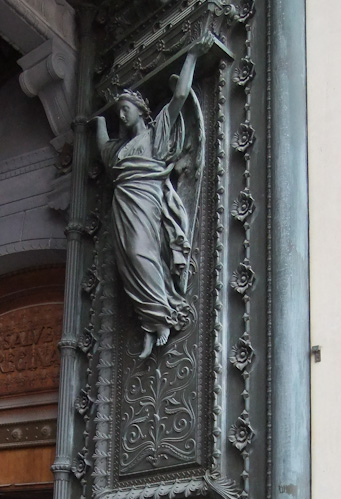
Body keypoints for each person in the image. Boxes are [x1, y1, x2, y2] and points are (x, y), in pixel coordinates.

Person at [93, 34, 212, 359]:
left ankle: (162, 316)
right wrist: (95, 121)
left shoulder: (156, 134)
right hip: (123, 206)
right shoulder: (120, 149)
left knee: (139, 253)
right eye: (119, 110)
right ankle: (150, 322)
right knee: (126, 261)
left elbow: (181, 94)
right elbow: (103, 148)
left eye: (126, 108)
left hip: (146, 202)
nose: (122, 115)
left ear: (141, 110)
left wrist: (192, 54)